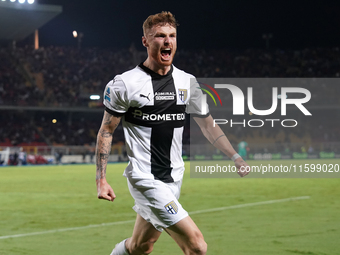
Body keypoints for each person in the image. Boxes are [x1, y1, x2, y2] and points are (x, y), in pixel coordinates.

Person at [96, 11, 250, 255]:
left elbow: (208, 124)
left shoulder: (187, 82)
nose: (167, 41)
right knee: (197, 246)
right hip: (145, 178)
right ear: (146, 41)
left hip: (174, 178)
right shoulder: (125, 84)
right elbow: (107, 130)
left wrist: (235, 157)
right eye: (159, 36)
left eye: (172, 36)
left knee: (140, 246)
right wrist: (101, 179)